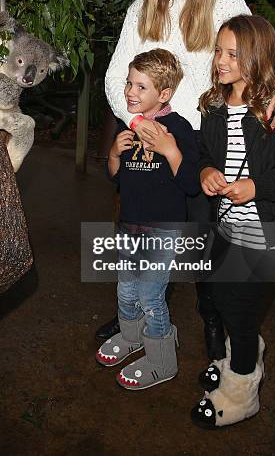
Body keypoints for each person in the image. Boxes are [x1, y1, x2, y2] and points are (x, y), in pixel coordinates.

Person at [98, 0, 275, 361]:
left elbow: (261, 53)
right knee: (140, 229)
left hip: (203, 140)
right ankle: (133, 310)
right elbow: (115, 78)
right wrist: (138, 123)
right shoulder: (141, 8)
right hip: (150, 137)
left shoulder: (225, 3)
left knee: (202, 242)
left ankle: (212, 321)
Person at [190, 14, 275, 428]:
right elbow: (205, 154)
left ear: (258, 56)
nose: (221, 61)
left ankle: (243, 389)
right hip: (227, 227)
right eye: (218, 51)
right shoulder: (212, 106)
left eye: (233, 54)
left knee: (240, 311)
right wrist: (206, 171)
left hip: (268, 234)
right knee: (228, 302)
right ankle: (239, 356)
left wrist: (257, 187)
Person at [96, 49, 200, 390]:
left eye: (141, 87)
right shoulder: (128, 128)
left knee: (150, 296)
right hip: (129, 226)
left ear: (163, 94)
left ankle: (162, 360)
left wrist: (171, 150)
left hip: (161, 231)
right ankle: (133, 338)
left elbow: (190, 185)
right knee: (126, 289)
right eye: (129, 83)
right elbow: (116, 178)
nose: (130, 92)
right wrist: (114, 153)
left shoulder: (179, 129)